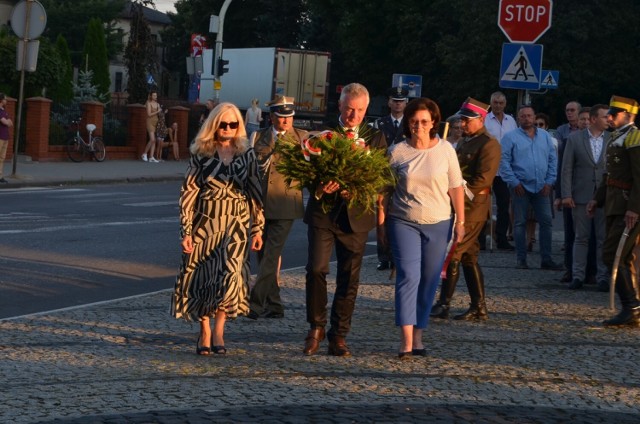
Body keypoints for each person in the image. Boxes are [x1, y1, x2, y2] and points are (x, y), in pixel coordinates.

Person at [171, 102, 264, 355]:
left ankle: (220, 329)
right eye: (222, 123)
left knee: (229, 276)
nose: (227, 128)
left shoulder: (247, 154)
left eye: (233, 124)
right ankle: (205, 330)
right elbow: (188, 194)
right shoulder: (201, 153)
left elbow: (256, 193)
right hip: (205, 223)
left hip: (236, 224)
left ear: (239, 126)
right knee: (202, 277)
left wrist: (258, 229)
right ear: (214, 124)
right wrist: (186, 232)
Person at [302, 83, 386, 357]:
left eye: (360, 111)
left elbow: (382, 177)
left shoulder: (375, 138)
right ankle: (316, 327)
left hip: (356, 217)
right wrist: (319, 184)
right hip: (323, 212)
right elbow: (305, 170)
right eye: (350, 109)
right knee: (316, 269)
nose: (354, 116)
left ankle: (338, 335)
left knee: (349, 279)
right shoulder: (322, 135)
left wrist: (360, 189)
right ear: (340, 106)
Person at [383, 97, 465, 359]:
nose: (419, 125)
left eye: (424, 121)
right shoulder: (397, 152)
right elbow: (384, 189)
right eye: (414, 121)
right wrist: (380, 220)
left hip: (439, 222)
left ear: (433, 123)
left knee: (429, 280)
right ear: (408, 122)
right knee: (409, 276)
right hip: (403, 220)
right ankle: (406, 340)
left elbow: (455, 186)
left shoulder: (446, 150)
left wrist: (461, 222)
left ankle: (419, 335)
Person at [430, 98, 500, 321]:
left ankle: (444, 304)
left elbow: (483, 180)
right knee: (469, 257)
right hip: (461, 206)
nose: (462, 124)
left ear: (481, 119)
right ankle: (478, 307)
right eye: (461, 119)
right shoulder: (465, 142)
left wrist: (457, 193)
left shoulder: (489, 144)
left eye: (467, 120)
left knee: (453, 254)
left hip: (473, 208)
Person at [247, 95, 308, 320]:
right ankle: (275, 305)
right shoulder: (258, 137)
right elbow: (251, 169)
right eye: (281, 117)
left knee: (271, 254)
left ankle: (254, 304)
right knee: (263, 256)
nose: (286, 121)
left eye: (289, 117)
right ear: (271, 117)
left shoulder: (302, 138)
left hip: (286, 204)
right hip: (260, 204)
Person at [588, 95, 640, 327]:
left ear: (629, 115)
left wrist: (634, 209)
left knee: (612, 254)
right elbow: (609, 175)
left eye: (614, 114)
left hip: (628, 207)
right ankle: (632, 307)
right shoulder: (616, 137)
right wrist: (596, 200)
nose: (608, 117)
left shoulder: (635, 137)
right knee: (621, 256)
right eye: (608, 113)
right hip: (614, 205)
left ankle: (632, 308)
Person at [500, 105, 563, 271]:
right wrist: (514, 182)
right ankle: (521, 259)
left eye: (529, 115)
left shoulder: (545, 136)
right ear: (518, 119)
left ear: (534, 117)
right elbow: (504, 162)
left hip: (542, 186)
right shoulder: (510, 137)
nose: (526, 118)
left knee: (546, 222)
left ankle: (546, 259)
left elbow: (552, 160)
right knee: (519, 223)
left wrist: (550, 181)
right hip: (520, 186)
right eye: (523, 116)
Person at [562, 104, 610, 291]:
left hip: (604, 196)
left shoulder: (612, 139)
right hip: (581, 194)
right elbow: (567, 168)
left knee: (603, 238)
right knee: (581, 238)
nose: (608, 120)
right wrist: (566, 194)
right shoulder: (575, 139)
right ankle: (578, 275)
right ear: (593, 119)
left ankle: (603, 276)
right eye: (605, 117)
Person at [374, 86, 409, 271]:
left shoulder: (411, 124)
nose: (398, 104)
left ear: (406, 103)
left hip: (404, 176)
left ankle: (397, 255)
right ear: (389, 102)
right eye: (394, 100)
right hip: (383, 176)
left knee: (400, 216)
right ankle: (383, 256)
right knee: (381, 217)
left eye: (401, 101)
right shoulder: (380, 124)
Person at [484, 91, 518, 250]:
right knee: (483, 204)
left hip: (504, 169)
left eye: (501, 103)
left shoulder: (511, 121)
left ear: (505, 104)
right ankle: (480, 239)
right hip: (487, 167)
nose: (498, 106)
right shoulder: (484, 119)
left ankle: (501, 237)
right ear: (491, 103)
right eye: (495, 103)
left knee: (504, 204)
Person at [554, 101, 582, 283]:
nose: (569, 113)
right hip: (569, 192)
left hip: (588, 193)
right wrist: (560, 195)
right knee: (571, 234)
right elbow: (562, 167)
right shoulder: (563, 133)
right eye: (567, 110)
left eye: (573, 110)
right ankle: (570, 269)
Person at [141, 90, 164, 163]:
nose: (155, 97)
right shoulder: (148, 103)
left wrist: (161, 112)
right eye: (154, 95)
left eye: (156, 95)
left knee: (154, 141)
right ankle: (144, 154)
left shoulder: (157, 104)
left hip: (156, 122)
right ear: (151, 96)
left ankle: (151, 157)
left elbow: (159, 114)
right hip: (149, 122)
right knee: (152, 139)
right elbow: (149, 114)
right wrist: (158, 111)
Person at [0, 93, 13, 184]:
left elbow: (10, 123)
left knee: (2, 158)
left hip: (5, 137)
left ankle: (0, 176)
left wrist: (7, 121)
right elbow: (5, 122)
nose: (6, 101)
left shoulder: (4, 110)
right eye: (5, 99)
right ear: (1, 100)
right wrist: (7, 121)